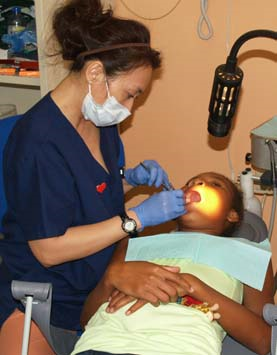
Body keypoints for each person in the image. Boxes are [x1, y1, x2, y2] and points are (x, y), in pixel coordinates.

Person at [0, 1, 192, 354]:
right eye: (130, 94)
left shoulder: (101, 122)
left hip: (96, 281)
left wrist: (130, 180)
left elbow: (87, 192)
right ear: (94, 74)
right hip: (42, 295)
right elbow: (48, 249)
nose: (130, 108)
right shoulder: (39, 142)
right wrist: (136, 219)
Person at [71, 172, 274, 355]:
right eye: (189, 183)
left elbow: (265, 341)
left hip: (179, 347)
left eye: (215, 184)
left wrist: (193, 286)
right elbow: (86, 321)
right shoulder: (135, 244)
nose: (198, 183)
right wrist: (110, 278)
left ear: (232, 214)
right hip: (102, 344)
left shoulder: (248, 254)